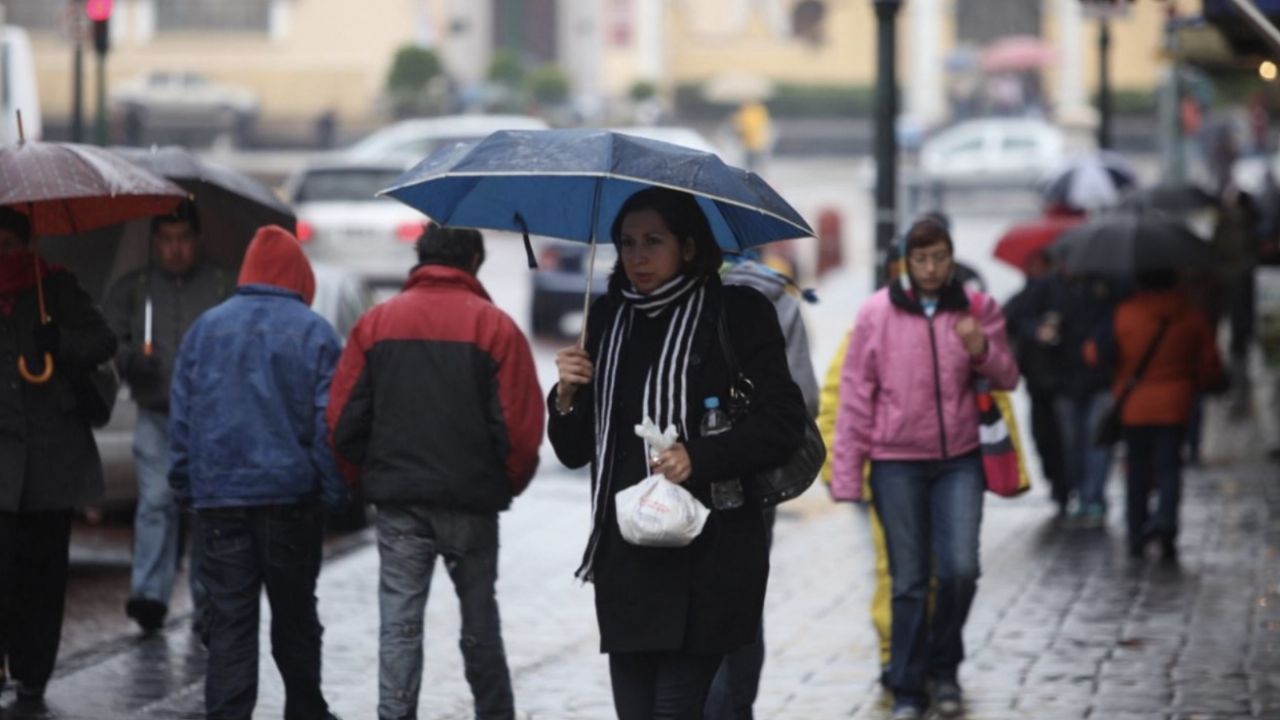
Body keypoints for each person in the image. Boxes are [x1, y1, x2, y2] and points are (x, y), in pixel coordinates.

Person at [548, 187, 807, 720]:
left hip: (709, 552)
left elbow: (782, 422)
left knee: (673, 710)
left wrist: (700, 457)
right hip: (628, 555)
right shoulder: (607, 319)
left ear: (689, 247)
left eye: (653, 242)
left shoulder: (738, 313)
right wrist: (567, 396)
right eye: (626, 243)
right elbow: (574, 452)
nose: (637, 257)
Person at [327, 224, 544, 720]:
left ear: (420, 260)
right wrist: (503, 483)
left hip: (399, 500)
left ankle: (395, 713)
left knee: (399, 623)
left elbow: (342, 422)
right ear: (473, 262)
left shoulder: (376, 323)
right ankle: (494, 713)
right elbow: (522, 431)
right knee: (479, 621)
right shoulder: (496, 328)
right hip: (471, 501)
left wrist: (364, 480)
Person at [830, 217, 1018, 719]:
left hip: (960, 460)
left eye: (939, 257)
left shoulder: (978, 309)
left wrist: (982, 348)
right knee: (910, 580)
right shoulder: (876, 314)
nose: (931, 268)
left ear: (951, 258)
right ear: (906, 264)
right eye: (921, 259)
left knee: (961, 569)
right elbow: (854, 395)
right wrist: (847, 474)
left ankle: (944, 666)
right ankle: (909, 687)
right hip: (896, 463)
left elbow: (1009, 376)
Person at [168, 225, 345, 720]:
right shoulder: (314, 333)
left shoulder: (205, 329)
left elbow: (182, 419)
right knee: (295, 618)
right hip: (290, 500)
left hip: (219, 502)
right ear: (298, 276)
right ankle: (306, 709)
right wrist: (332, 491)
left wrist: (185, 484)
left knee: (229, 623)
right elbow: (327, 424)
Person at [0, 207, 117, 701]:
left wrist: (61, 342)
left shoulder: (57, 288)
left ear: (27, 245)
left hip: (52, 460)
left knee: (43, 574)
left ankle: (33, 671)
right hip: (3, 460)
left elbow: (103, 341)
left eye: (9, 245)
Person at [106, 200, 230, 633]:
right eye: (166, 240)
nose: (175, 250)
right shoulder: (134, 288)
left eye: (182, 240)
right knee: (156, 502)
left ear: (196, 240)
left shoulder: (221, 286)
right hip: (156, 414)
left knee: (204, 509)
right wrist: (128, 361)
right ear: (155, 242)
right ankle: (150, 594)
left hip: (209, 420)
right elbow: (109, 341)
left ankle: (206, 598)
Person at [705, 253, 819, 720]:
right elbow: (803, 397)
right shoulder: (776, 293)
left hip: (689, 475)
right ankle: (733, 709)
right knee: (740, 600)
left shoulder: (653, 298)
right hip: (751, 477)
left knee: (698, 604)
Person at [1098, 270, 1223, 559]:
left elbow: (1097, 354)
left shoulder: (1124, 314)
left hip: (1134, 406)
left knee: (1137, 470)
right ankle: (1167, 522)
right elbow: (1209, 362)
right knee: (1170, 467)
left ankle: (1135, 530)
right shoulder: (1191, 316)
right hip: (1176, 405)